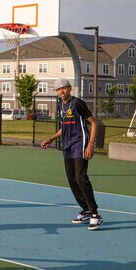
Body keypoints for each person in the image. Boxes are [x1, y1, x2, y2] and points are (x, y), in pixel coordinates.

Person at [41, 78, 103, 231]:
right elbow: (64, 127)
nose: (61, 91)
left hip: (80, 143)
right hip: (68, 146)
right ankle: (86, 210)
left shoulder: (78, 103)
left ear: (69, 88)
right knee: (72, 179)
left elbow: (94, 123)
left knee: (81, 178)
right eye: (58, 89)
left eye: (64, 88)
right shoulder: (61, 105)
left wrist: (91, 144)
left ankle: (95, 214)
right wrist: (50, 139)